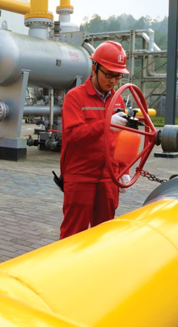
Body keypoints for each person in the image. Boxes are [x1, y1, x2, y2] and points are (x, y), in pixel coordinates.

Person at [59, 41, 132, 239]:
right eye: (108, 74)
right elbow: (73, 135)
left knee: (104, 237)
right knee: (73, 235)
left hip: (108, 177)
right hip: (81, 176)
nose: (113, 81)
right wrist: (106, 123)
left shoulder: (117, 99)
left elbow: (120, 138)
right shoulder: (75, 98)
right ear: (94, 68)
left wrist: (123, 169)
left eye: (117, 76)